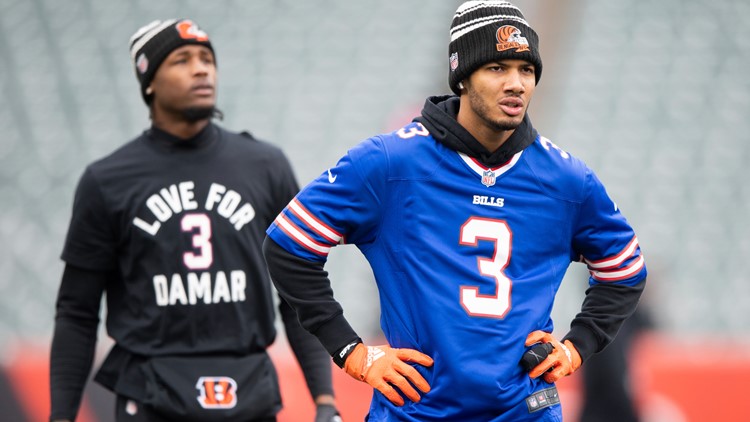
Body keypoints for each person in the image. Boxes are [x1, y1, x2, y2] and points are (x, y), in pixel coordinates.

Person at [262, 1, 647, 421]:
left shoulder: (566, 179)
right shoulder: (391, 163)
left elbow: (624, 270)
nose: (516, 83)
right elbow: (288, 246)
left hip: (524, 412)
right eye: (497, 68)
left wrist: (577, 345)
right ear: (462, 76)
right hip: (416, 411)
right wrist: (352, 352)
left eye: (526, 69)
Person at [49, 19, 341, 422]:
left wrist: (325, 399)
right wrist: (61, 415)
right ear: (148, 81)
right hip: (151, 394)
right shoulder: (107, 181)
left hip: (249, 395)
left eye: (207, 59)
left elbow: (296, 294)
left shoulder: (266, 166)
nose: (201, 69)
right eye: (181, 60)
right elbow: (77, 311)